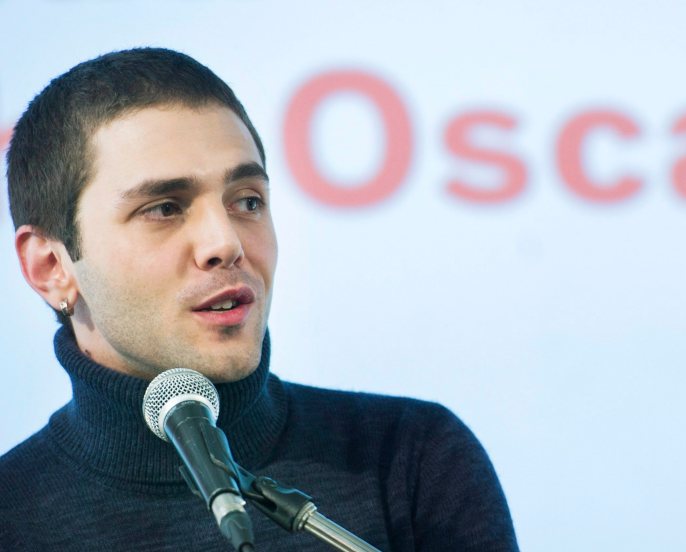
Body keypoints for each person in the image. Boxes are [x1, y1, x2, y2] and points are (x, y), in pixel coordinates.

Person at [0, 47, 519, 551]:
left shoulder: (410, 460)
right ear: (51, 268)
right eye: (164, 209)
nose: (225, 243)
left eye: (247, 201)